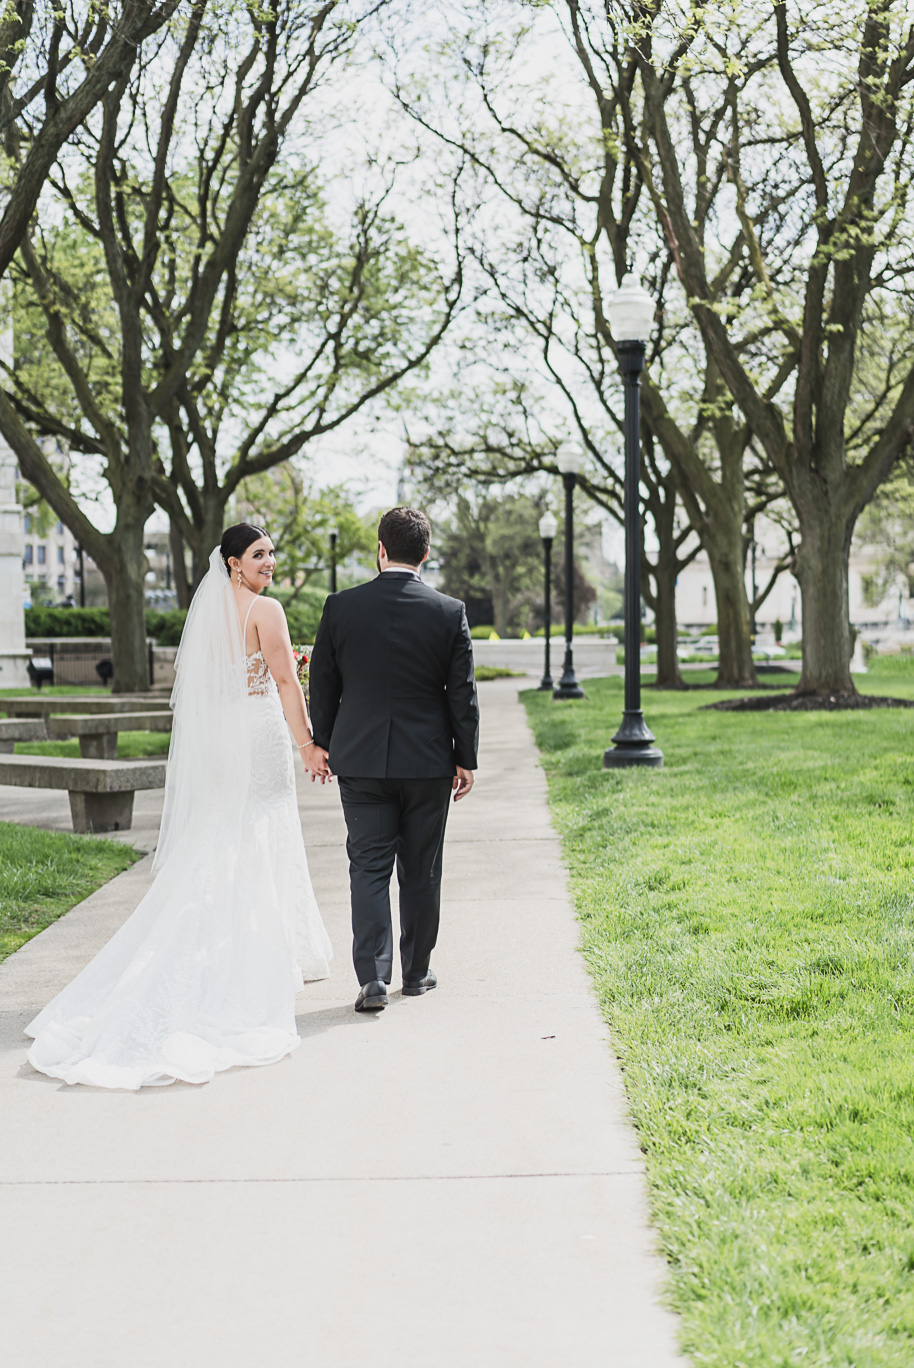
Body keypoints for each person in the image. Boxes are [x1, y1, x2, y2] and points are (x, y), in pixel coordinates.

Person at [25, 525, 333, 1090]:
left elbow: (199, 682)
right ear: (235, 563)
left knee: (229, 830)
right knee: (258, 827)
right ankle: (263, 952)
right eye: (259, 554)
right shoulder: (267, 611)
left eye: (271, 554)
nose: (269, 561)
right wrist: (308, 742)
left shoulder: (211, 616)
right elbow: (287, 679)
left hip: (221, 736)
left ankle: (254, 938)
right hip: (259, 733)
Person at [309, 506, 479, 1013]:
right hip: (428, 762)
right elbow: (462, 694)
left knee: (368, 867)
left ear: (379, 551)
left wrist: (322, 741)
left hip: (359, 760)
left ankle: (373, 978)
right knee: (421, 869)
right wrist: (465, 757)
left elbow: (323, 683)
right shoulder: (449, 611)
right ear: (425, 554)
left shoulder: (341, 607)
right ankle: (418, 972)